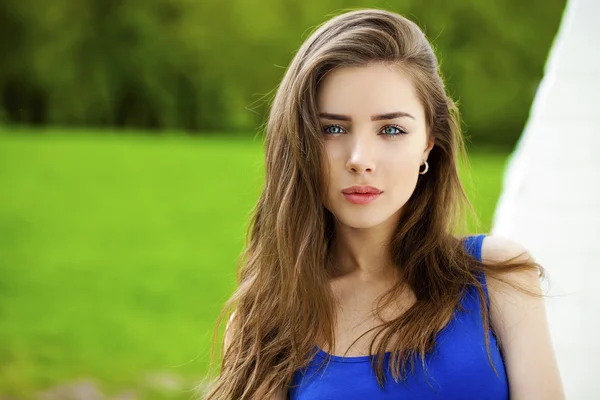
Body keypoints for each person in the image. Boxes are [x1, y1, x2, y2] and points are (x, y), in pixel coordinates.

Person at [205, 9, 564, 400]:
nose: (359, 158)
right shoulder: (265, 323)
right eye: (333, 129)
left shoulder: (496, 276)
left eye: (391, 129)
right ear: (300, 143)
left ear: (429, 142)